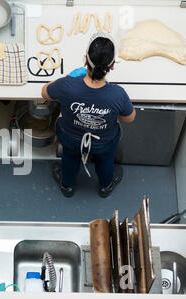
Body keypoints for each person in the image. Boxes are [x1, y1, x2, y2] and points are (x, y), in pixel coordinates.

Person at [41, 32, 136, 198]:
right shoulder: (118, 94)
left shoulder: (67, 85)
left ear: (85, 60)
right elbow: (130, 118)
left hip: (71, 138)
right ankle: (106, 187)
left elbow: (45, 93)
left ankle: (67, 187)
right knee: (105, 162)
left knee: (70, 158)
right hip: (103, 142)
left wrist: (68, 78)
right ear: (112, 66)